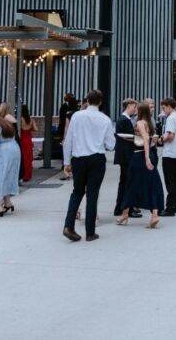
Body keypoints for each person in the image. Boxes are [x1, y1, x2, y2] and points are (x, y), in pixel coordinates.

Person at [61, 91, 115, 241]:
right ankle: (90, 232)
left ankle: (68, 225)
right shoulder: (105, 119)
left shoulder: (77, 116)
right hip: (97, 158)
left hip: (79, 158)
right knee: (92, 194)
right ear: (100, 102)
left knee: (77, 192)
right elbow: (111, 145)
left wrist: (66, 162)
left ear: (87, 100)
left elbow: (68, 140)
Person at [117, 101, 163, 229]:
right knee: (151, 184)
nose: (135, 110)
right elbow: (148, 139)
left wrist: (146, 158)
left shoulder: (140, 123)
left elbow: (145, 140)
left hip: (139, 156)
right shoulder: (149, 123)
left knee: (131, 183)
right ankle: (154, 215)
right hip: (148, 155)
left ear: (141, 111)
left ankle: (125, 214)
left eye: (137, 109)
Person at [113, 99, 142, 219]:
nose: (135, 109)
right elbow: (126, 137)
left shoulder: (124, 119)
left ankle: (120, 208)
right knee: (127, 182)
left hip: (124, 156)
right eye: (134, 107)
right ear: (129, 106)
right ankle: (125, 209)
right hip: (126, 156)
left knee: (124, 182)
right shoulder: (124, 120)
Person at [159, 97, 176, 217]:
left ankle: (170, 208)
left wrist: (161, 139)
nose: (163, 110)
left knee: (170, 181)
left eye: (164, 108)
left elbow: (170, 135)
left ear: (169, 106)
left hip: (169, 153)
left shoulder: (171, 118)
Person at [19, 104, 35, 183]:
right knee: (28, 158)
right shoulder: (31, 119)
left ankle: (23, 175)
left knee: (23, 157)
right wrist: (30, 128)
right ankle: (28, 175)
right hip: (28, 138)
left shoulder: (20, 119)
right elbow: (36, 128)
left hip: (22, 139)